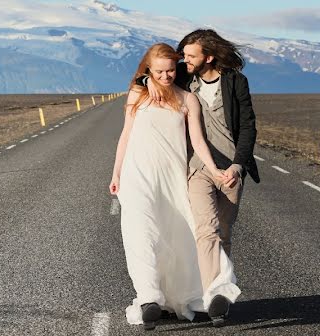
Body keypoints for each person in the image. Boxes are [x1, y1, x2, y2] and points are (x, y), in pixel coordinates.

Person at [137, 29, 259, 326]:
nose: (183, 60)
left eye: (190, 55)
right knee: (206, 229)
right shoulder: (182, 75)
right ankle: (212, 297)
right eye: (183, 55)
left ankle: (219, 297)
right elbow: (154, 71)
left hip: (231, 169)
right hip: (197, 167)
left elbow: (248, 128)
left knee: (224, 233)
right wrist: (146, 81)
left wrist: (238, 166)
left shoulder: (235, 82)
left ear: (209, 57)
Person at [109, 42, 227, 331]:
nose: (166, 76)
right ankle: (148, 298)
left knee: (175, 234)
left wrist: (214, 170)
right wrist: (116, 173)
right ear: (148, 69)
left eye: (171, 70)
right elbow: (126, 135)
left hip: (172, 176)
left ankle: (181, 297)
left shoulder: (188, 100)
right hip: (138, 176)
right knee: (141, 232)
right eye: (160, 71)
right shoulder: (138, 94)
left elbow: (198, 142)